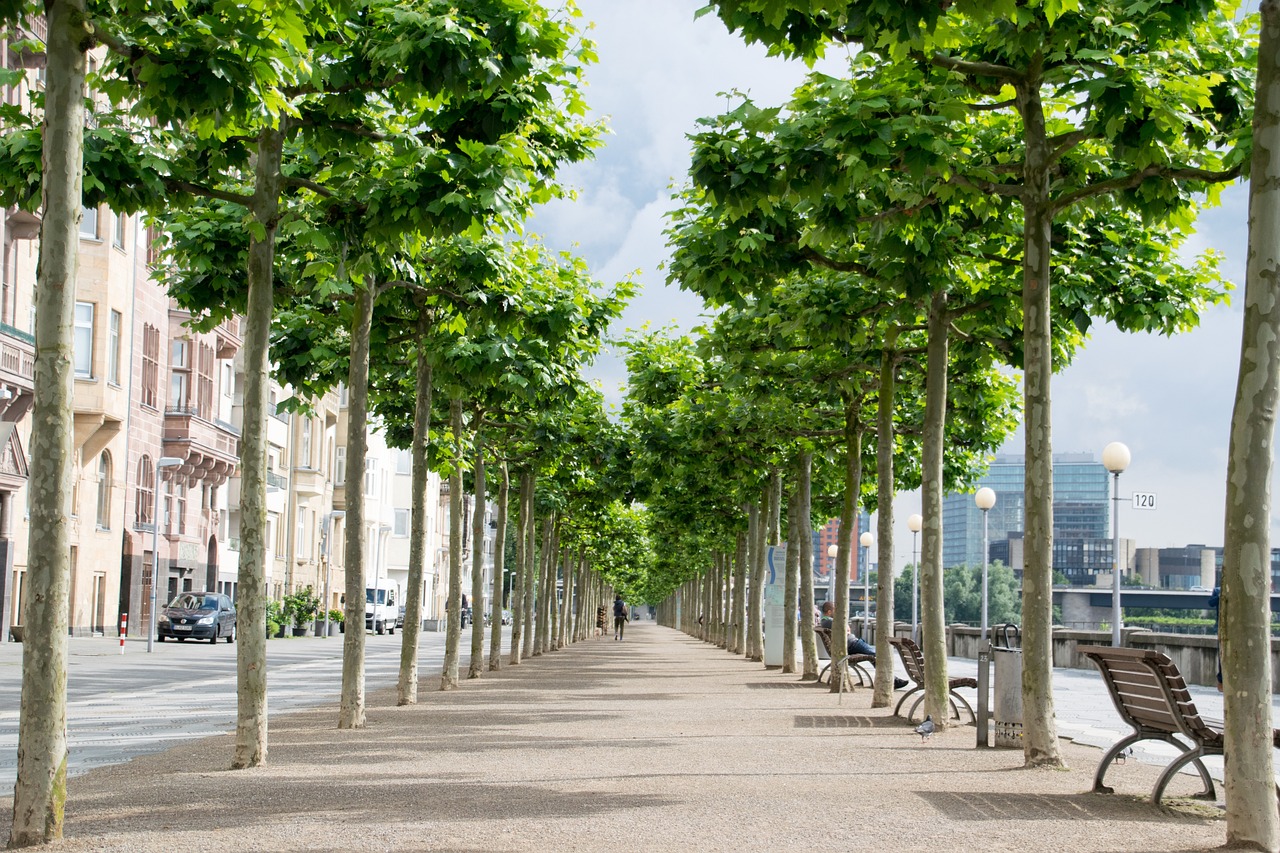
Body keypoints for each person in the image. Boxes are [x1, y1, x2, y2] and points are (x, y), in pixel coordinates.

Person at [820, 601, 908, 689]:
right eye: (836, 610)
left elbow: (847, 630)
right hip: (853, 645)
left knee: (875, 655)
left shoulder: (826, 621)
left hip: (851, 645)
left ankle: (891, 679)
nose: (838, 612)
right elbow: (847, 628)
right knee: (878, 655)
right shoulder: (830, 621)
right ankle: (891, 680)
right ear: (829, 612)